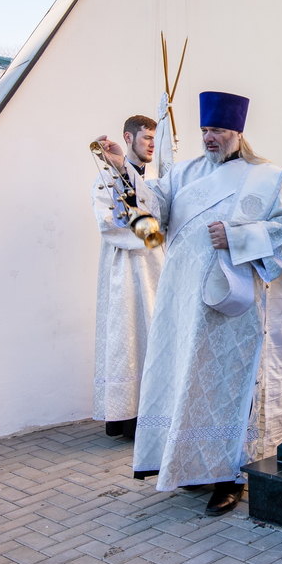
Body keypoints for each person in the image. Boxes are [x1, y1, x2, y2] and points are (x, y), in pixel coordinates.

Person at [103, 91, 282, 517]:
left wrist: (236, 236)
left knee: (226, 388)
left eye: (218, 130)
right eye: (205, 130)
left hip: (232, 305)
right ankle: (190, 465)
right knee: (186, 382)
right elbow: (152, 215)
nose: (209, 138)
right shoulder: (186, 172)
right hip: (182, 300)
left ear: (237, 132)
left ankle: (230, 476)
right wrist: (122, 166)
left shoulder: (266, 177)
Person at [91, 115, 163, 439]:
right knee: (126, 337)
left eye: (153, 138)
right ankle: (125, 416)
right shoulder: (104, 180)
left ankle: (153, 412)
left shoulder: (157, 180)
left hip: (155, 268)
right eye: (146, 137)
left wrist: (154, 232)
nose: (151, 144)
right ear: (128, 138)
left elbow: (161, 215)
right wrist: (148, 233)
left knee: (155, 333)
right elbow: (109, 223)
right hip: (124, 268)